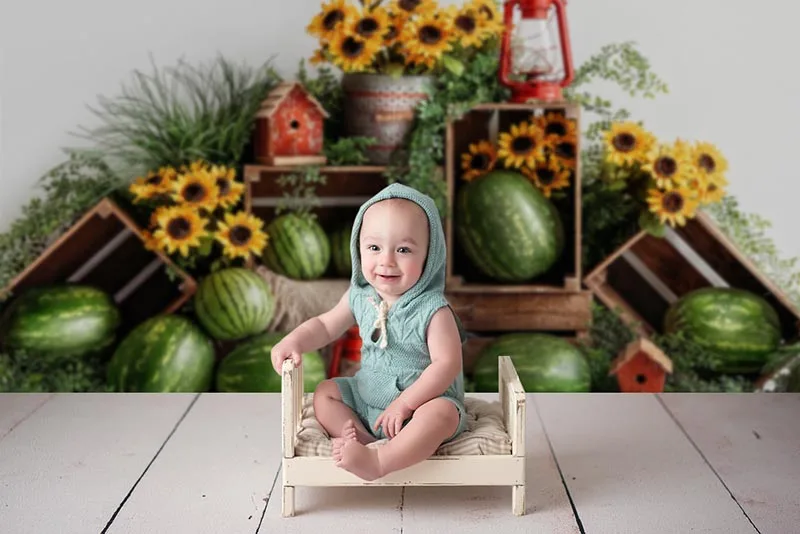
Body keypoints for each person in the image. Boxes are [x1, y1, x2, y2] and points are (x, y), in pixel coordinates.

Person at [270, 183, 467, 481]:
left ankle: (380, 460)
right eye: (374, 248)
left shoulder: (433, 309)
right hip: (368, 397)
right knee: (325, 393)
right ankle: (362, 439)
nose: (386, 261)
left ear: (430, 256)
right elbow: (324, 325)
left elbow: (447, 364)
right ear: (358, 248)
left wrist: (406, 403)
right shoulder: (360, 295)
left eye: (403, 249)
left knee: (442, 415)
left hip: (422, 401)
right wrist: (293, 340)